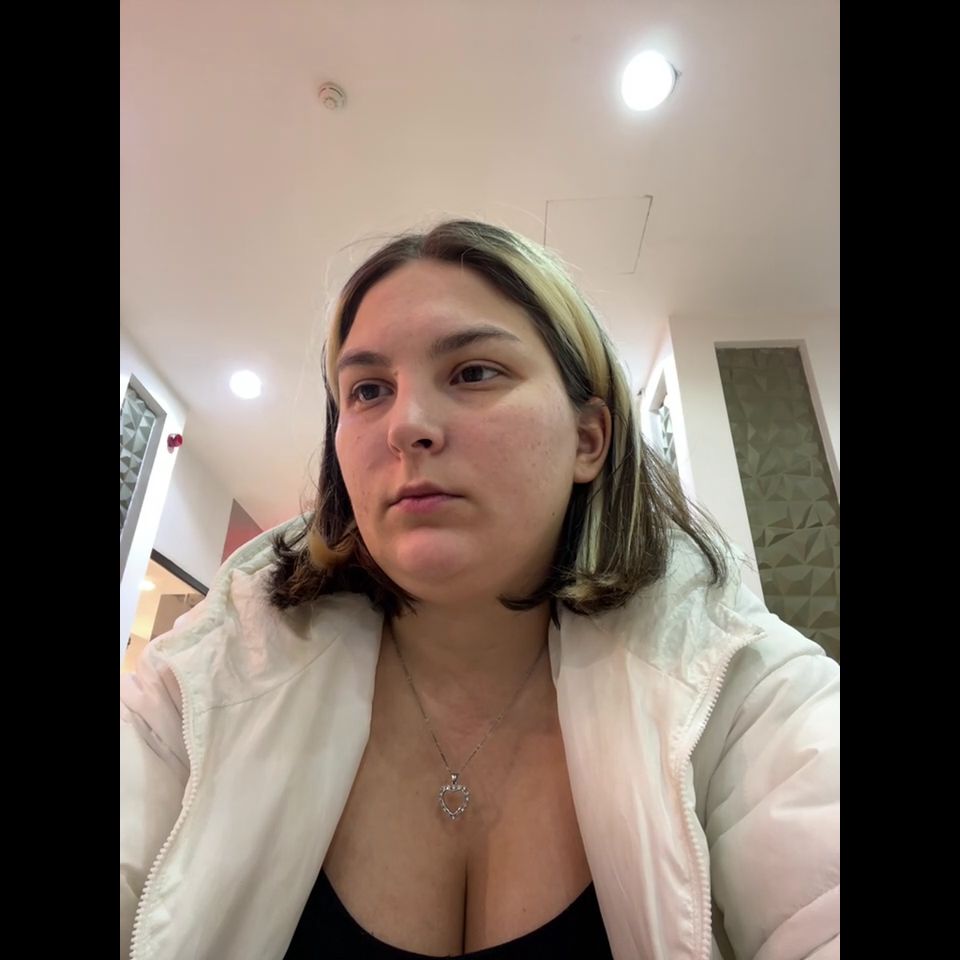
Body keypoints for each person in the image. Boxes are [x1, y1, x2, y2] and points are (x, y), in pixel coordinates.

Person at [120, 219, 839, 960]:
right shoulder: (208, 681)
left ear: (588, 439)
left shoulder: (735, 687)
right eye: (368, 390)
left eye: (473, 373)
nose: (406, 426)